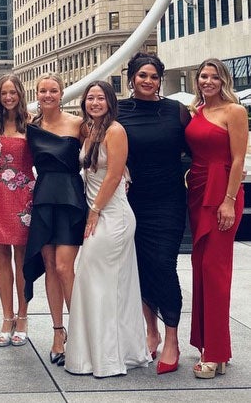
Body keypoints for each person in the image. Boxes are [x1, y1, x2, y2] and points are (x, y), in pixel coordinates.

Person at [65, 81, 149, 378]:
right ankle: (102, 351)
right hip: (96, 212)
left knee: (98, 282)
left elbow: (114, 174)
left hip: (111, 215)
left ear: (111, 101)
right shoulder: (89, 130)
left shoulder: (115, 131)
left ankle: (106, 357)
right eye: (90, 98)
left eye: (101, 98)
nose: (95, 102)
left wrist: (95, 213)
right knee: (102, 283)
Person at [117, 52, 189, 374]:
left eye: (154, 76)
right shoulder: (118, 111)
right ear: (131, 78)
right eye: (142, 75)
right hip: (133, 204)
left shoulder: (176, 111)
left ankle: (172, 337)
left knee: (163, 265)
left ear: (160, 80)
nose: (148, 81)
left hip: (169, 201)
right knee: (142, 268)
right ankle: (151, 331)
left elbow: (199, 146)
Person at [185, 58, 246, 379]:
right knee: (201, 268)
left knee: (215, 270)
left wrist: (229, 201)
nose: (208, 81)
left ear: (224, 81)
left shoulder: (234, 112)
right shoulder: (197, 111)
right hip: (196, 189)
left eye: (214, 77)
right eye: (203, 76)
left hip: (222, 191)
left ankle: (217, 351)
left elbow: (238, 159)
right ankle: (210, 347)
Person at [23, 73, 84, 365]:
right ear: (36, 94)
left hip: (71, 197)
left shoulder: (77, 124)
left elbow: (100, 151)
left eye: (53, 90)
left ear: (62, 94)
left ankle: (80, 332)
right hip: (44, 197)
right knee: (49, 266)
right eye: (42, 91)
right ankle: (58, 333)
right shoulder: (30, 126)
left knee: (64, 267)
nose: (48, 95)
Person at [0, 74, 35, 347]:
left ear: (20, 94)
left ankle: (23, 317)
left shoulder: (32, 123)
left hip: (24, 194)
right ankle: (6, 316)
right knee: (0, 256)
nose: (9, 97)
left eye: (13, 92)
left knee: (22, 259)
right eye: (4, 93)